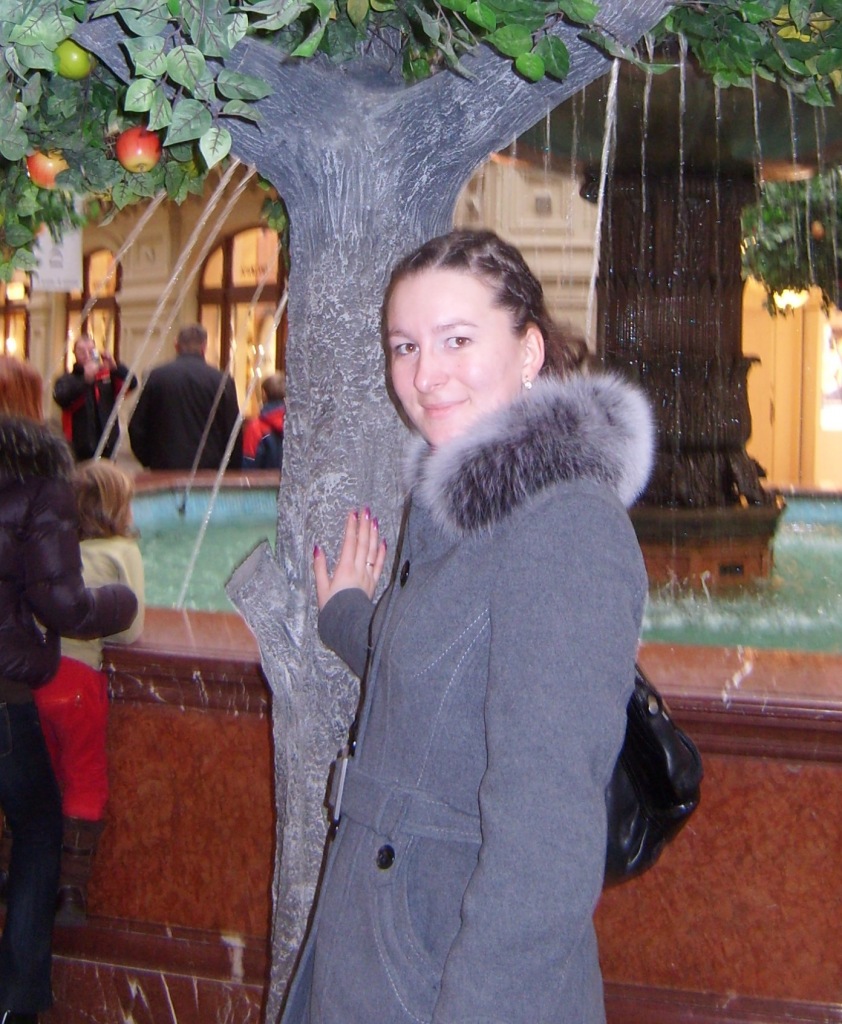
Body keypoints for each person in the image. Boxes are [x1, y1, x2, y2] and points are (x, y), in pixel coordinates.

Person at [284, 230, 655, 1024]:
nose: (425, 375)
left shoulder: (564, 525)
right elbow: (446, 667)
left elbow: (546, 837)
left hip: (448, 968)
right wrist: (348, 615)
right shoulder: (458, 506)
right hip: (381, 937)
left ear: (529, 350)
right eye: (405, 346)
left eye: (457, 340)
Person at [0, 355, 137, 1024]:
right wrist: (121, 601)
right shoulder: (35, 478)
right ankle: (17, 999)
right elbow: (62, 602)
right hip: (7, 693)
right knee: (37, 827)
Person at [33, 461, 145, 926]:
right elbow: (129, 628)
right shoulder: (121, 551)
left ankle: (12, 873)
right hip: (78, 683)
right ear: (120, 509)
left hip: (35, 678)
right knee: (84, 779)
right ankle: (71, 889)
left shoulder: (58, 549)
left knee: (38, 779)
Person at [128, 323, 243, 471]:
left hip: (166, 466)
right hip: (208, 469)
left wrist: (149, 459)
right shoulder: (222, 381)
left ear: (176, 345)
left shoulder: (156, 377)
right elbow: (233, 430)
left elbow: (137, 426)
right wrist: (230, 468)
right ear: (204, 347)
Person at [53, 335, 136, 461]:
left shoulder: (106, 377)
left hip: (107, 447)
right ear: (74, 353)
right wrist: (85, 380)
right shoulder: (67, 379)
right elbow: (61, 397)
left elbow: (132, 383)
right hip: (79, 450)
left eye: (91, 351)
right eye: (82, 351)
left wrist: (116, 368)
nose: (87, 355)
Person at [242, 371, 285, 470]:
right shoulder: (299, 426)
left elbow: (248, 465)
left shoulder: (256, 428)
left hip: (264, 480)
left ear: (264, 394)